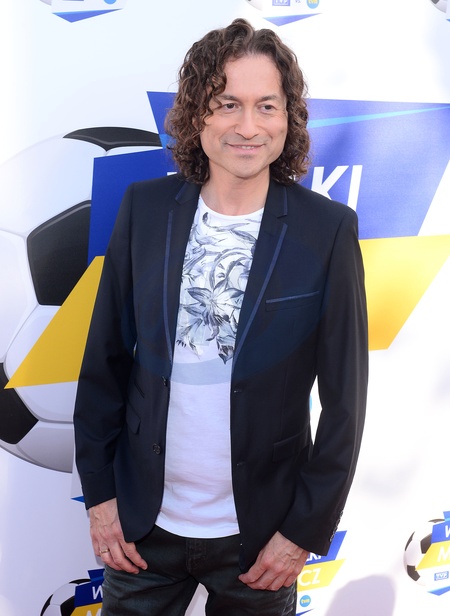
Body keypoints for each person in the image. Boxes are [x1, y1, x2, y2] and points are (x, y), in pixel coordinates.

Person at [74, 17, 368, 616]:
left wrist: (301, 533)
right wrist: (100, 500)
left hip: (261, 540)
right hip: (143, 529)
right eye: (228, 104)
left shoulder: (327, 230)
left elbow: (346, 402)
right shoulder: (145, 209)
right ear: (197, 115)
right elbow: (104, 362)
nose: (248, 126)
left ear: (288, 118)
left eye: (267, 106)